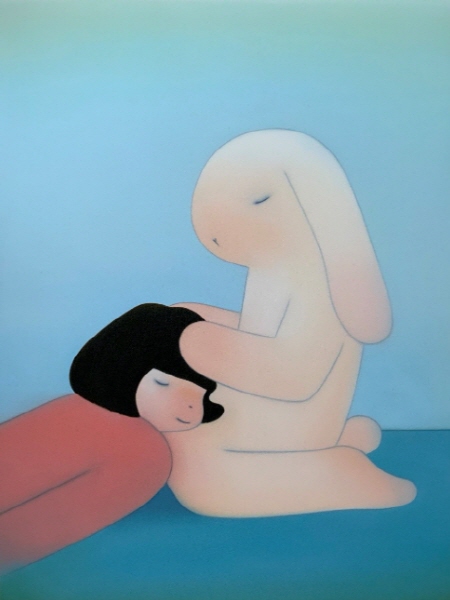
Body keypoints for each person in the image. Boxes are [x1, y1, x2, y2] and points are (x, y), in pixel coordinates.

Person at [0, 304, 223, 571]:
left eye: (201, 394)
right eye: (162, 383)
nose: (188, 404)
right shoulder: (139, 448)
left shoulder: (75, 413)